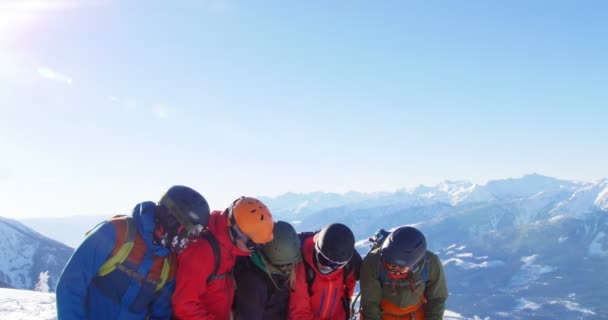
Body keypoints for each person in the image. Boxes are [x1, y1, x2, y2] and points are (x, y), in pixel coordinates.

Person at [56, 185, 210, 320]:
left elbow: (160, 314)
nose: (191, 240)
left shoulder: (168, 264)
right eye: (191, 231)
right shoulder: (116, 232)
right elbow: (70, 286)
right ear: (171, 220)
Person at [172, 196, 274, 320]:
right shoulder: (202, 253)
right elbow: (184, 305)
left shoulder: (228, 246)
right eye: (253, 245)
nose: (255, 250)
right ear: (236, 233)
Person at [359, 226, 448, 320]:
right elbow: (370, 304)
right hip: (383, 315)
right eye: (389, 264)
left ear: (414, 264)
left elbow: (437, 299)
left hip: (417, 315)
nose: (392, 270)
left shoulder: (431, 263)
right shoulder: (373, 262)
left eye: (398, 268)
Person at [289, 223, 362, 320]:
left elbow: (346, 295)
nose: (327, 267)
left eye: (335, 265)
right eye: (323, 260)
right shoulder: (302, 266)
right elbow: (299, 312)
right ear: (316, 248)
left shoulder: (349, 268)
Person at [233, 220, 302, 320]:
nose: (287, 268)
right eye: (281, 265)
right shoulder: (253, 284)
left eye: (290, 264)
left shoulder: (282, 272)